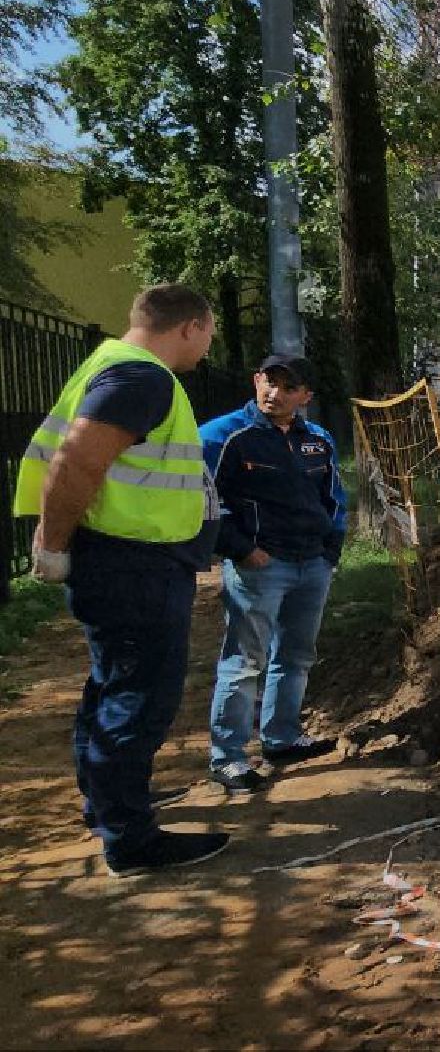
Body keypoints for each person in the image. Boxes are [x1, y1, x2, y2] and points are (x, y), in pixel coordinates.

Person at [13, 284, 227, 876]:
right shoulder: (142, 377)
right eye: (209, 333)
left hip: (129, 560)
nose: (208, 346)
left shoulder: (109, 365)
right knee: (138, 698)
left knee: (113, 685)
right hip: (134, 565)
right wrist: (52, 544)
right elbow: (79, 460)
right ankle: (130, 839)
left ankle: (107, 805)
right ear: (191, 325)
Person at [199, 355, 348, 794]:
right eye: (269, 382)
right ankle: (228, 757)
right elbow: (202, 499)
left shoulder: (317, 440)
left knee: (297, 655)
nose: (274, 394)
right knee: (244, 661)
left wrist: (330, 550)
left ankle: (281, 738)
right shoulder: (224, 437)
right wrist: (241, 549)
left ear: (305, 397)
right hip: (260, 568)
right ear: (256, 381)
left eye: (287, 387)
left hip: (312, 564)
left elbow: (334, 498)